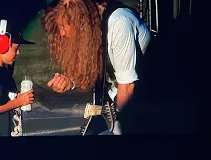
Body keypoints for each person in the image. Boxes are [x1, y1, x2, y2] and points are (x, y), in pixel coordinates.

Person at [41, 0, 151, 135]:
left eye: (64, 26)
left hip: (144, 104)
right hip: (115, 103)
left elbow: (127, 88)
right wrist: (71, 81)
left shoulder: (119, 23)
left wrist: (118, 128)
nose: (62, 34)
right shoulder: (93, 30)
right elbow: (95, 68)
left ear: (80, 23)